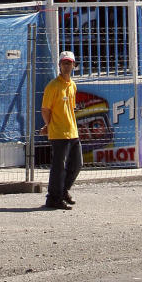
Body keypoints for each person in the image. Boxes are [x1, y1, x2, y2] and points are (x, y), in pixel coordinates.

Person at [41, 50, 82, 210]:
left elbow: (70, 109)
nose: (67, 66)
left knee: (77, 164)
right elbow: (45, 109)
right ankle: (53, 198)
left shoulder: (73, 85)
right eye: (64, 63)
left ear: (74, 65)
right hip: (58, 133)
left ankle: (63, 191)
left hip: (72, 131)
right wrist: (49, 125)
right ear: (59, 65)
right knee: (58, 167)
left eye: (69, 63)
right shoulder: (52, 86)